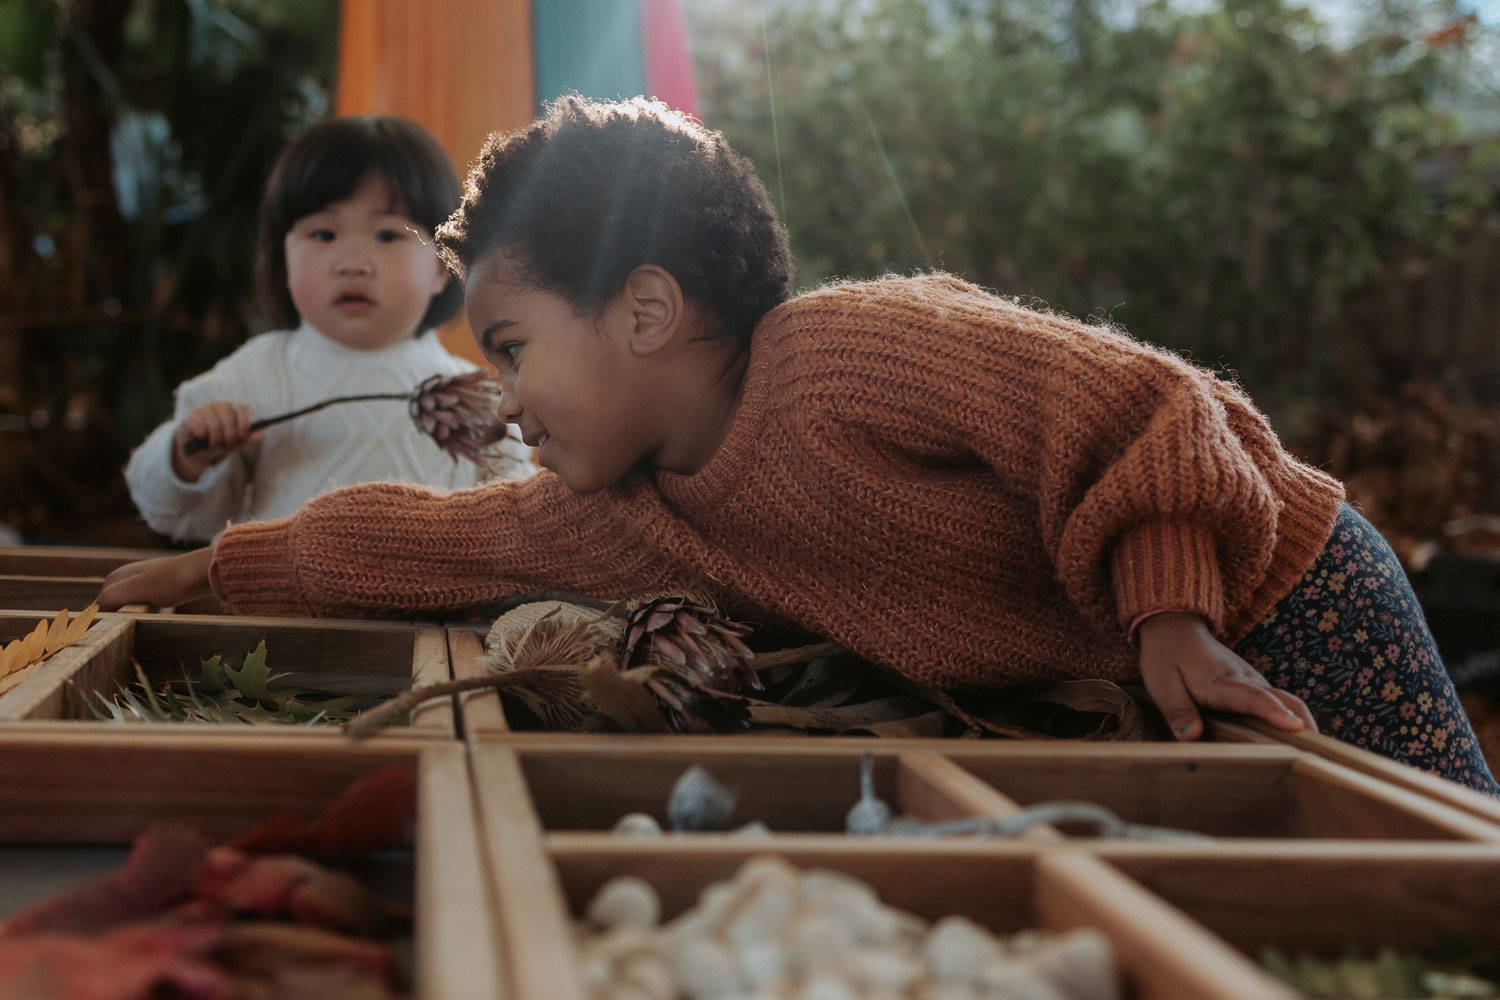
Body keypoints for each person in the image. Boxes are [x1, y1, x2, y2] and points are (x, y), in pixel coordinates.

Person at [102, 96, 1497, 795]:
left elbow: (1141, 408)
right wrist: (212, 576)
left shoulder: (849, 352)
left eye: (514, 347)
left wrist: (1178, 608)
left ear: (645, 309)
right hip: (1138, 675)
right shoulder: (626, 508)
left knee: (1451, 866)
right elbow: (429, 538)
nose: (506, 400)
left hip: (1271, 594)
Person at [123, 115, 533, 543]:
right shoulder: (254, 377)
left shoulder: (473, 399)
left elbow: (518, 518)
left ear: (443, 266)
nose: (352, 262)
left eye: (388, 236)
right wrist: (185, 459)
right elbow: (169, 512)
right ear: (282, 259)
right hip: (269, 608)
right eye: (323, 234)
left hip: (427, 610)